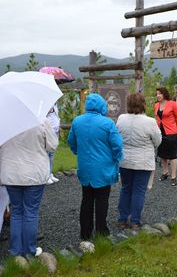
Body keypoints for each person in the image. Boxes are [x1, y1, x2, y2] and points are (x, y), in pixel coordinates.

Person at [67, 93, 123, 241]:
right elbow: (117, 145)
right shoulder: (107, 123)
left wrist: (78, 152)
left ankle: (85, 233)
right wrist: (116, 158)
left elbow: (71, 141)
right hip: (103, 168)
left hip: (85, 167)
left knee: (86, 199)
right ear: (101, 106)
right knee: (102, 199)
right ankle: (101, 231)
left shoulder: (77, 121)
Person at [0, 118, 58, 257]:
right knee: (31, 211)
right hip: (34, 172)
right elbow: (52, 145)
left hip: (11, 172)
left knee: (17, 211)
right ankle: (30, 249)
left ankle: (15, 250)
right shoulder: (41, 120)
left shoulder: (4, 121)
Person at [116, 93, 162, 229]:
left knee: (125, 189)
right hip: (143, 161)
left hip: (124, 160)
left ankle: (122, 219)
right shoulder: (149, 121)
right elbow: (158, 140)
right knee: (139, 191)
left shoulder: (121, 119)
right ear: (143, 104)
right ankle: (135, 221)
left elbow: (117, 136)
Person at [154, 86, 177, 186]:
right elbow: (157, 118)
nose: (158, 95)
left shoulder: (172, 104)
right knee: (163, 154)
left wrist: (174, 127)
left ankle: (173, 176)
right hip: (160, 132)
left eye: (159, 93)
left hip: (171, 132)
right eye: (157, 94)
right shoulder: (156, 105)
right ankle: (165, 173)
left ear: (164, 94)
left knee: (172, 155)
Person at [46, 104, 60, 184]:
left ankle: (50, 173)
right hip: (49, 131)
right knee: (47, 153)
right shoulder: (46, 104)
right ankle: (46, 176)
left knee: (52, 154)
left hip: (55, 131)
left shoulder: (55, 105)